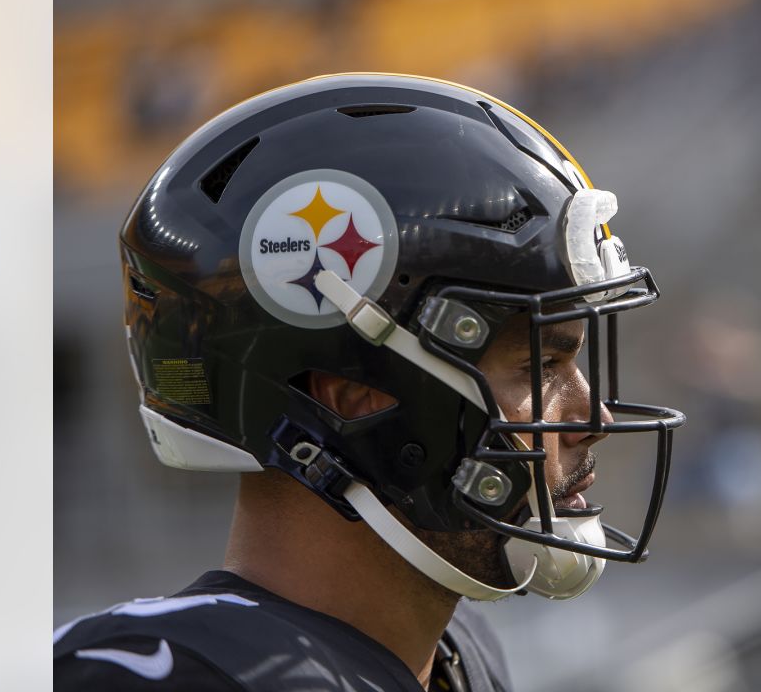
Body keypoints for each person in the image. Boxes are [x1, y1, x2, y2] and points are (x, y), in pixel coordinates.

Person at [53, 73, 686, 691]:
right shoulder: (150, 675)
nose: (593, 419)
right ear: (355, 397)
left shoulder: (454, 653)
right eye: (539, 367)